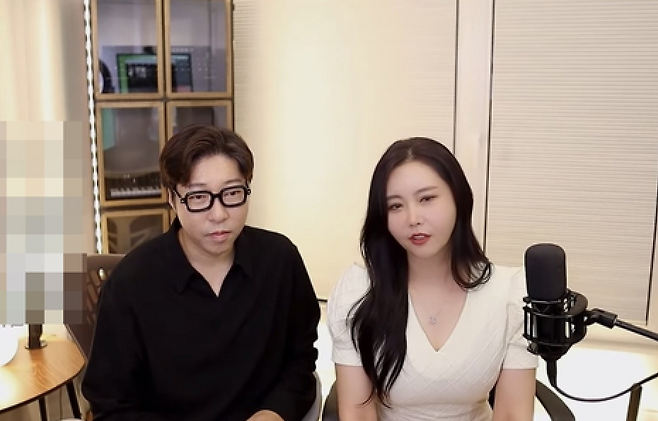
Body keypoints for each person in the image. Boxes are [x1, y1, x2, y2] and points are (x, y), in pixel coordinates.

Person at [82, 124, 321, 421]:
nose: (219, 214)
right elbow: (111, 405)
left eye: (232, 193)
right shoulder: (130, 284)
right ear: (171, 198)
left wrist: (273, 413)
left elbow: (300, 361)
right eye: (198, 197)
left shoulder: (280, 261)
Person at [327, 137, 537, 421]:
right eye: (395, 206)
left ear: (458, 198)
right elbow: (358, 412)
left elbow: (512, 414)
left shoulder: (510, 294)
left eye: (426, 199)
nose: (413, 218)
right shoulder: (358, 292)